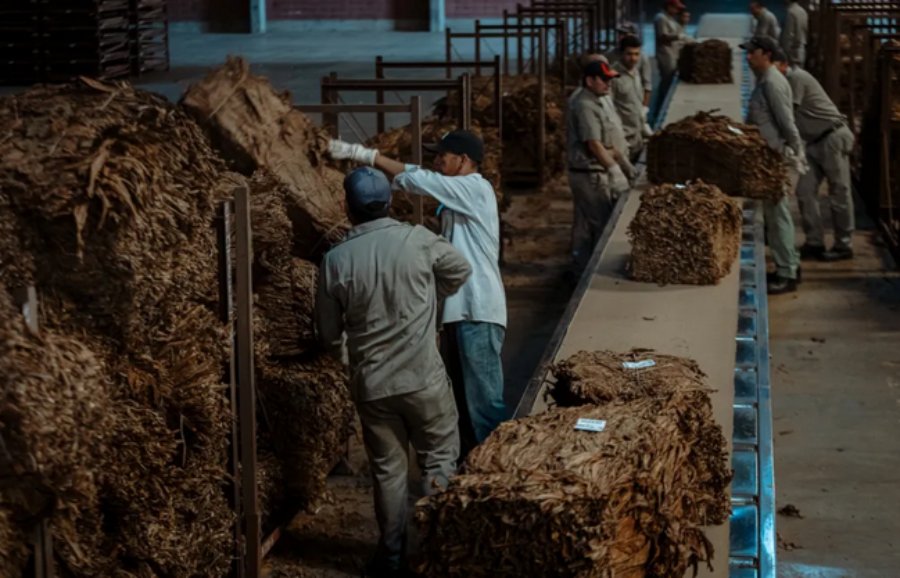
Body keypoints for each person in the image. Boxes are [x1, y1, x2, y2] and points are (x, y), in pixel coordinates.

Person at [316, 167, 471, 577]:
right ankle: (438, 551)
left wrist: (350, 356)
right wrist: (429, 300)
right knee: (438, 460)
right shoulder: (418, 241)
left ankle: (391, 558)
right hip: (424, 379)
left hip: (374, 386)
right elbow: (460, 270)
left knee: (388, 471)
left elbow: (329, 332)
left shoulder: (334, 261)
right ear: (388, 203)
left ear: (347, 208)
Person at [326, 130, 508, 456]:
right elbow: (416, 174)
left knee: (484, 402)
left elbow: (416, 178)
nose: (437, 161)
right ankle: (473, 467)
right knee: (462, 401)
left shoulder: (475, 188)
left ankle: (500, 466)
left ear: (464, 160)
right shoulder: (458, 192)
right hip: (459, 311)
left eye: (443, 156)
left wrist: (365, 155)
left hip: (477, 309)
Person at [773, 50, 855, 261]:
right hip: (814, 142)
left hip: (832, 137)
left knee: (839, 193)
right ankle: (814, 242)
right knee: (804, 190)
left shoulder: (795, 78)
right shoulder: (782, 82)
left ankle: (844, 245)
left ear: (782, 64)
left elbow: (787, 114)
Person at [742, 36, 806, 294]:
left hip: (777, 158)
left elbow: (787, 122)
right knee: (777, 215)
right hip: (771, 157)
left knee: (777, 215)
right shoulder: (765, 80)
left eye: (752, 53)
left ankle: (786, 273)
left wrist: (795, 155)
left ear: (766, 54)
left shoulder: (772, 82)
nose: (747, 57)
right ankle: (790, 264)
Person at [566, 60, 634, 274]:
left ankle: (582, 267)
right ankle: (586, 271)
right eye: (604, 80)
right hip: (588, 175)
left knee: (589, 223)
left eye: (609, 80)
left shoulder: (595, 101)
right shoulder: (585, 105)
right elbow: (594, 145)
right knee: (599, 223)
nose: (608, 84)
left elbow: (604, 144)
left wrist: (623, 164)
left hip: (593, 173)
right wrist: (615, 170)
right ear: (590, 80)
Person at [611, 35, 650, 162]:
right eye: (629, 54)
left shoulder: (635, 73)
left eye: (636, 54)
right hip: (623, 138)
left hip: (636, 136)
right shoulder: (613, 77)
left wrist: (643, 117)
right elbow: (608, 110)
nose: (633, 58)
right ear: (621, 53)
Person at [654, 0, 693, 121]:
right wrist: (678, 37)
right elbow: (663, 37)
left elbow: (677, 32)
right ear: (669, 6)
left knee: (670, 81)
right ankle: (659, 111)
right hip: (665, 55)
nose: (678, 11)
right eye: (676, 8)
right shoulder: (661, 18)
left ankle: (662, 107)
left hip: (673, 54)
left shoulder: (671, 19)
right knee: (666, 82)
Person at [780, 0, 809, 67]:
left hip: (792, 52)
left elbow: (787, 36)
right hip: (801, 50)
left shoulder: (791, 12)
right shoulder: (803, 12)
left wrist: (784, 54)